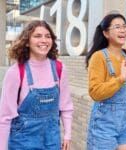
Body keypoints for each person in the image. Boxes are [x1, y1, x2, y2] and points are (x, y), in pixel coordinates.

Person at [0, 20, 73, 150]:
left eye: (48, 36)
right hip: (22, 141)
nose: (44, 40)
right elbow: (5, 117)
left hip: (52, 141)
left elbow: (66, 107)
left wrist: (67, 135)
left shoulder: (59, 68)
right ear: (27, 42)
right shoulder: (15, 72)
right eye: (37, 36)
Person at [86, 13, 126, 150]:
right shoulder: (99, 57)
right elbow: (95, 92)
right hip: (103, 124)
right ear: (106, 33)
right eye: (117, 27)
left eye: (124, 26)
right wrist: (121, 79)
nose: (123, 30)